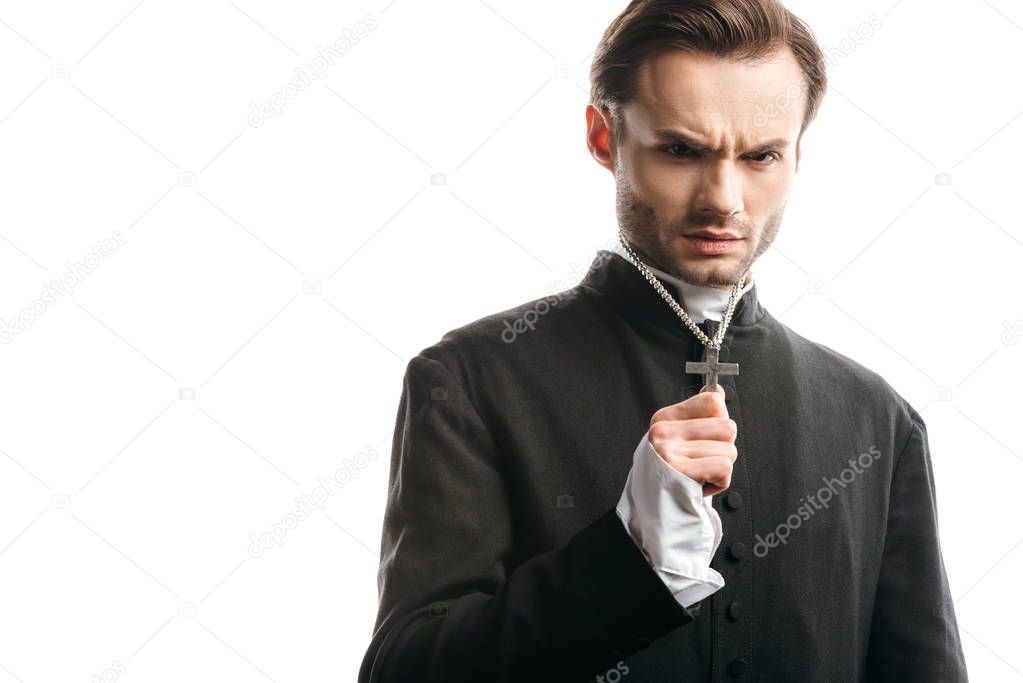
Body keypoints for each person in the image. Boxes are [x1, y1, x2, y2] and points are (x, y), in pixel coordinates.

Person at [358, 0, 969, 680]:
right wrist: (627, 555)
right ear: (602, 138)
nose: (724, 199)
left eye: (760, 155)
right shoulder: (469, 379)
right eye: (681, 150)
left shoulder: (877, 417)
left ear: (797, 153)